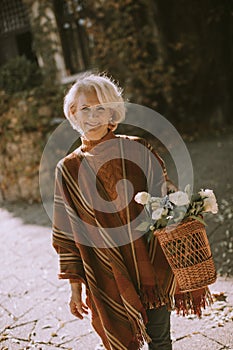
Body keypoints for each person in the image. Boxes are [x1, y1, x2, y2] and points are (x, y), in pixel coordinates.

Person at [52, 73, 211, 350]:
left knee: (160, 339)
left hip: (151, 266)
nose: (92, 115)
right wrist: (75, 288)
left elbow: (164, 201)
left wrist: (184, 206)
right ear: (73, 113)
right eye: (85, 108)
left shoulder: (138, 149)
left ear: (112, 112)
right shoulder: (68, 170)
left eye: (100, 108)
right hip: (105, 275)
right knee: (123, 343)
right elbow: (67, 231)